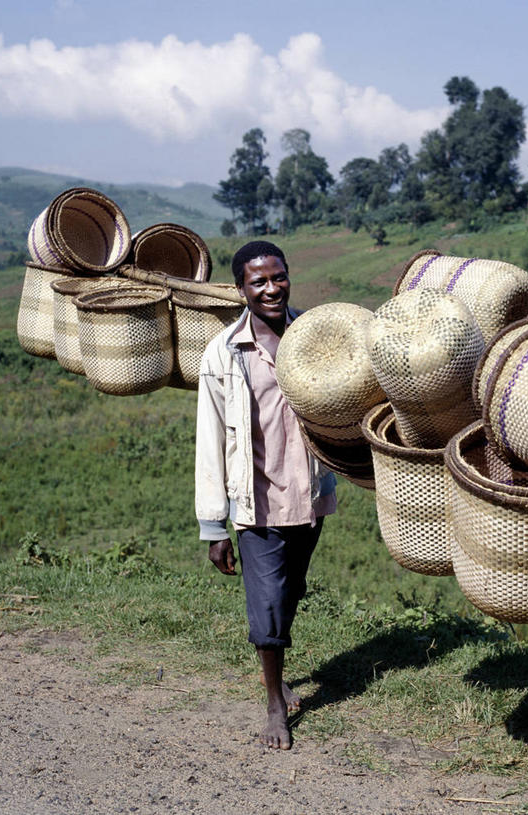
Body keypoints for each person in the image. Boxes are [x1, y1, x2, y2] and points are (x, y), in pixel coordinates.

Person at [195, 240, 336, 750]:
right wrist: (214, 526)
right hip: (254, 499)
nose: (272, 288)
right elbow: (209, 439)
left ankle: (277, 674)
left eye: (278, 277)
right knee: (269, 602)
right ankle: (275, 703)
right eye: (259, 281)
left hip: (310, 493)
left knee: (291, 590)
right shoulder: (223, 352)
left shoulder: (312, 337)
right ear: (241, 290)